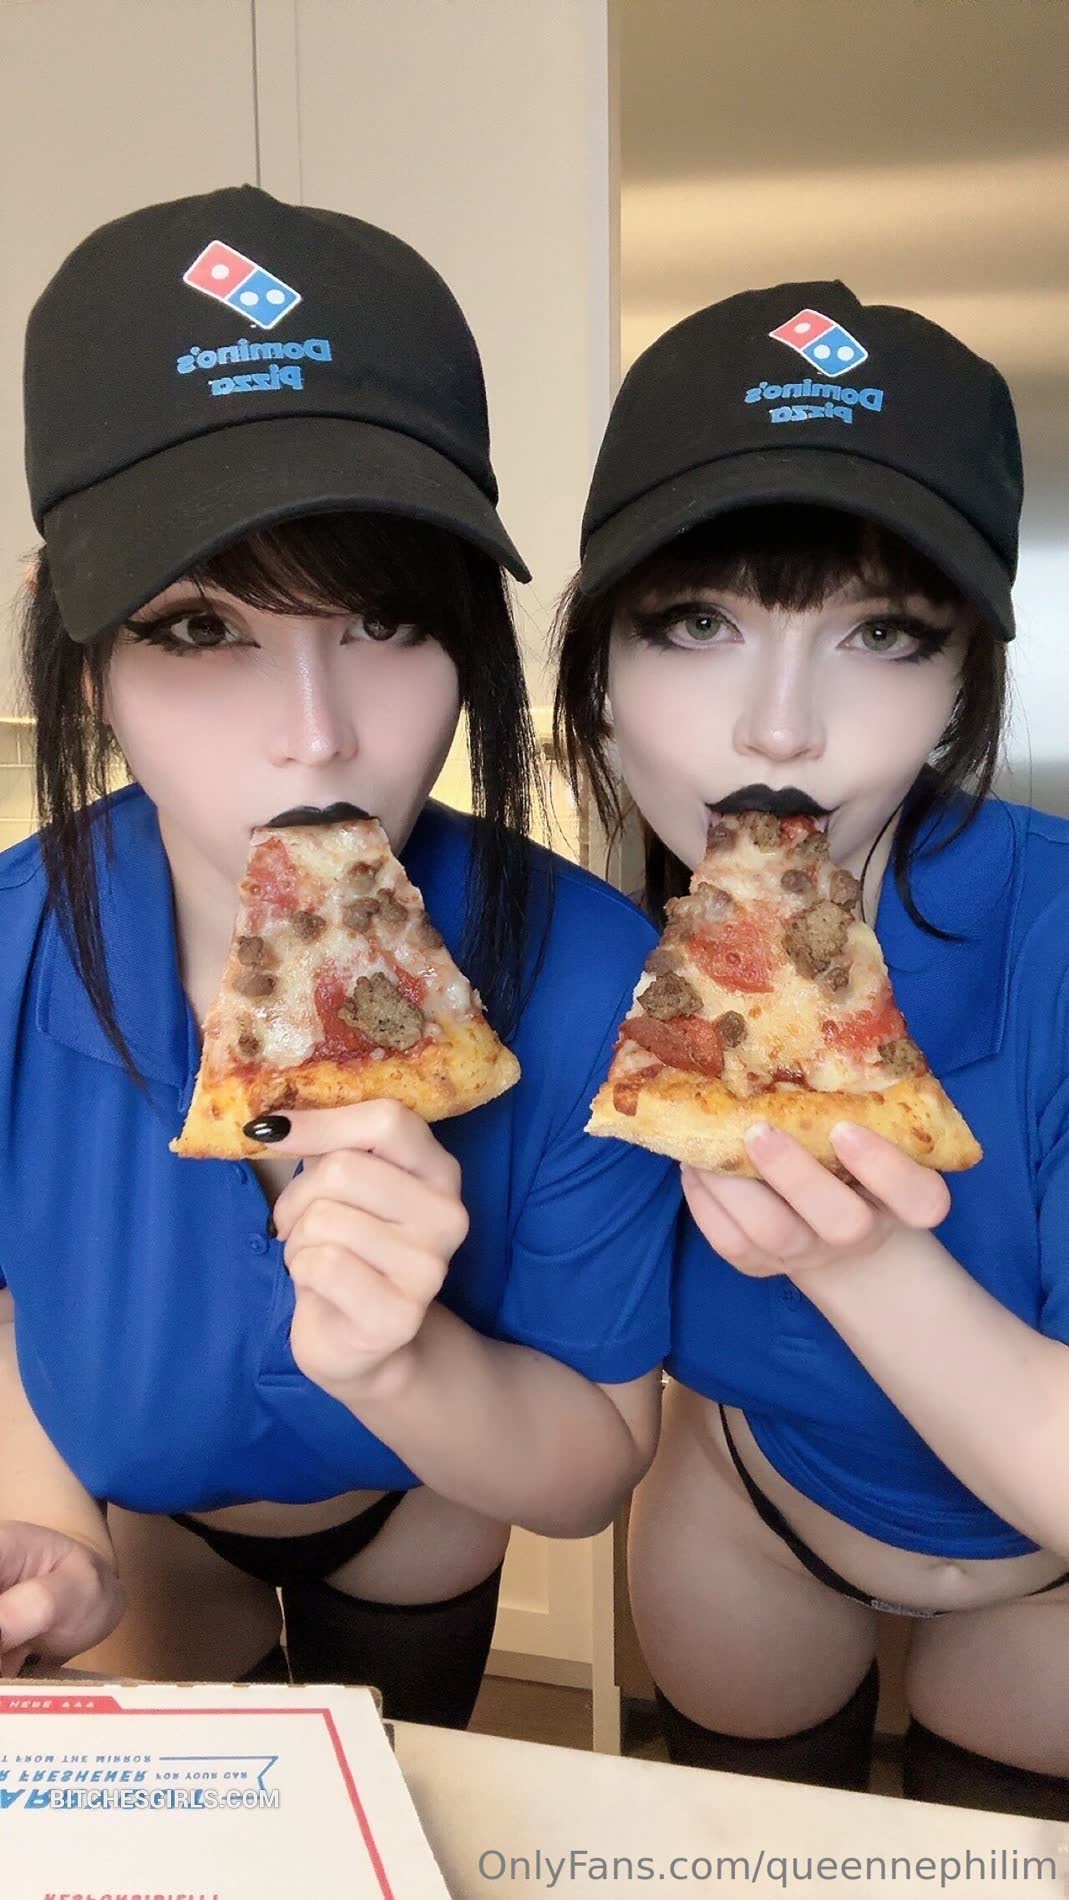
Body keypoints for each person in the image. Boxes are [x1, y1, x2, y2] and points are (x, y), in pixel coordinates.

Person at [0, 186, 678, 1724]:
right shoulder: (10, 950)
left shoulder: (597, 976)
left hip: (431, 1507)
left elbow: (589, 1469)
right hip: (139, 1531)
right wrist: (42, 1523)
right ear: (78, 647)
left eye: (384, 619)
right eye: (198, 628)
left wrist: (401, 1367)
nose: (316, 736)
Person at [554, 280, 1069, 1816]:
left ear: (961, 679)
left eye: (881, 632)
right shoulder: (566, 954)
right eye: (696, 623)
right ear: (598, 662)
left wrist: (860, 1263)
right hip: (745, 1516)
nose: (777, 729)